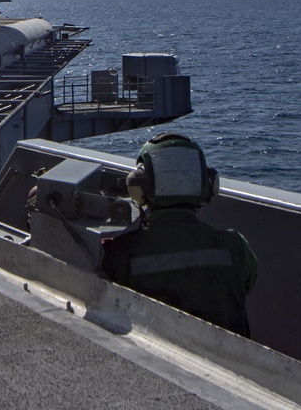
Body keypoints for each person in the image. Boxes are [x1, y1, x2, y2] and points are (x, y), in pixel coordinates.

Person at [101, 132, 258, 337]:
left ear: (138, 190)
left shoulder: (119, 255)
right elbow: (246, 283)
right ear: (209, 185)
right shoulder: (236, 247)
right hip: (233, 367)